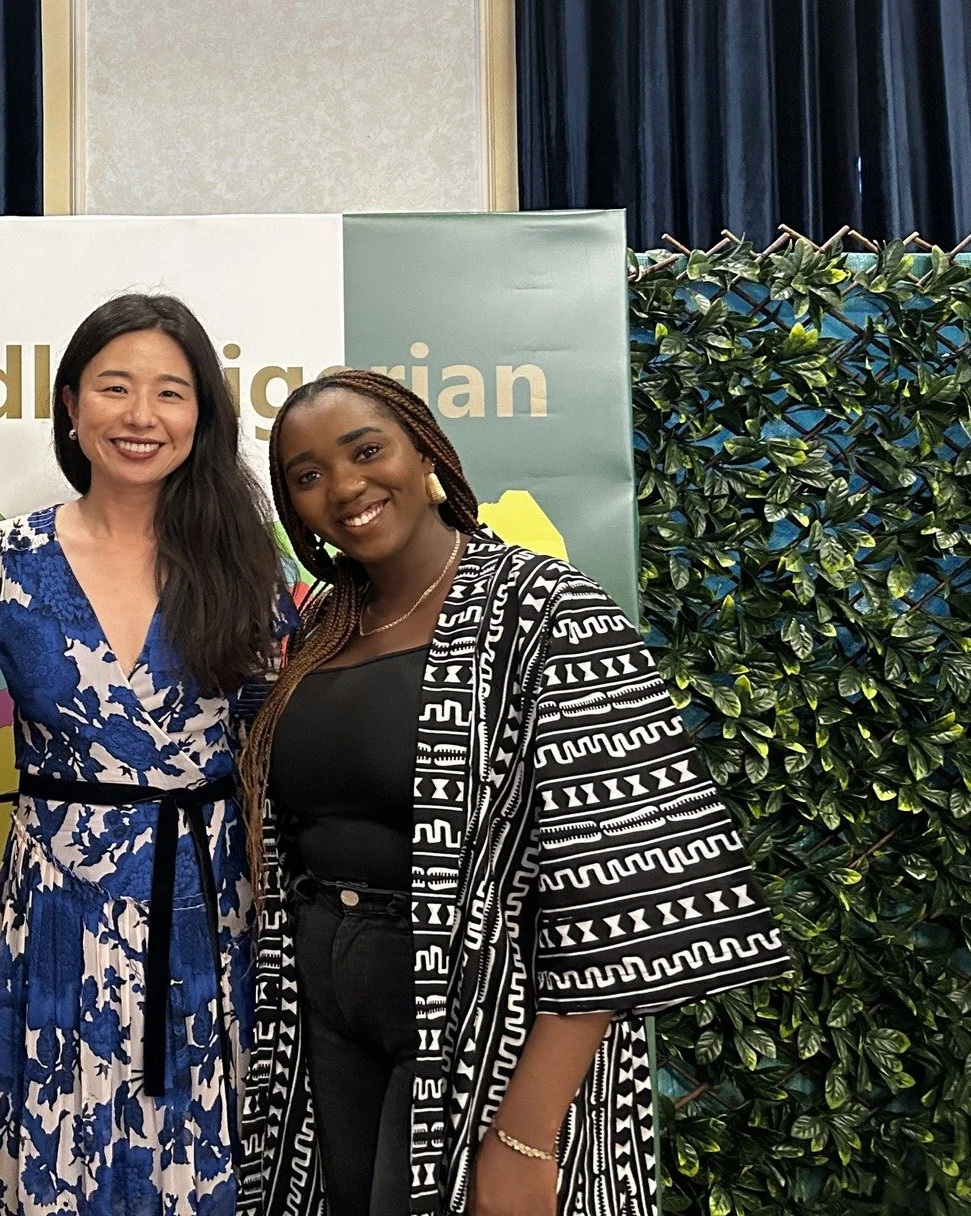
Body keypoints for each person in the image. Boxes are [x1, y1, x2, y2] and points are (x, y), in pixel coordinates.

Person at [238, 370, 791, 1216]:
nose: (344, 487)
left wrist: (528, 1134)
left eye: (367, 451)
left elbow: (622, 893)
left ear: (428, 454)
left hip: (470, 1005)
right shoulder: (321, 627)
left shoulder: (545, 609)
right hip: (319, 995)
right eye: (308, 475)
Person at [0, 293, 291, 1216]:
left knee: (200, 1155)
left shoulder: (247, 563)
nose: (141, 416)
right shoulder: (4, 559)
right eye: (115, 387)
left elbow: (278, 744)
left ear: (202, 415)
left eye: (170, 393)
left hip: (208, 907)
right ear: (71, 403)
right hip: (53, 908)